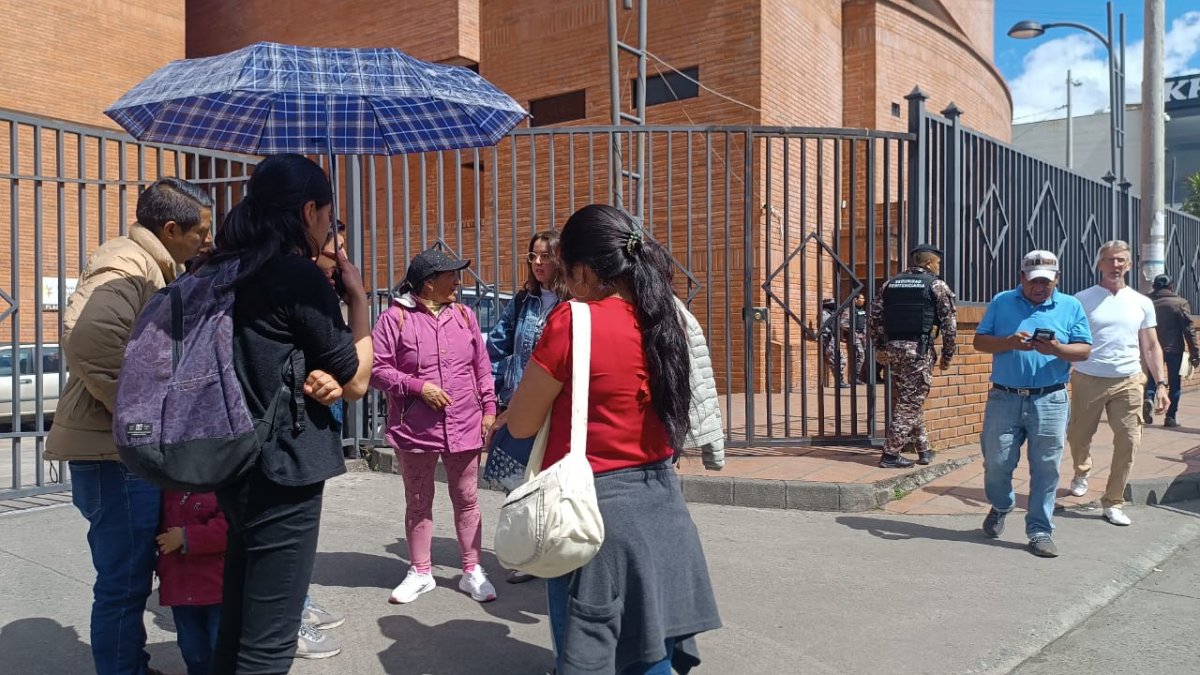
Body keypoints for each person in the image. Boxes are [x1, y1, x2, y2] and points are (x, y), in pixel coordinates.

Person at [506, 204, 721, 674]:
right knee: (652, 652)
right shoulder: (671, 320)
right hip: (663, 505)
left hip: (591, 513)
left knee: (589, 655)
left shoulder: (573, 322)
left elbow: (521, 425)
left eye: (566, 272)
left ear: (583, 270)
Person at [202, 153, 373, 673]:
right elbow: (357, 380)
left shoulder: (221, 266)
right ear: (307, 212)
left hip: (230, 459)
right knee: (270, 644)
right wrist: (359, 301)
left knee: (237, 622)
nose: (328, 224)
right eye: (326, 213)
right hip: (282, 468)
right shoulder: (292, 273)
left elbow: (268, 355)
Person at [45, 177, 213, 675]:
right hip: (114, 456)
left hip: (120, 452)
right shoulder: (128, 263)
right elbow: (89, 340)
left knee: (132, 576)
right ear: (169, 228)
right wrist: (147, 414)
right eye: (200, 231)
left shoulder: (153, 265)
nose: (207, 240)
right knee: (123, 582)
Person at [371, 248, 499, 605]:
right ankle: (421, 572)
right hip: (415, 428)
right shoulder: (394, 318)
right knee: (417, 500)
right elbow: (378, 370)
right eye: (451, 276)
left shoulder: (464, 315)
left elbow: (481, 366)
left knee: (468, 498)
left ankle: (472, 571)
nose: (458, 281)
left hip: (465, 424)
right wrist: (418, 387)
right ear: (429, 284)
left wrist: (489, 407)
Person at [973, 250, 1092, 558]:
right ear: (1021, 277)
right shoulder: (1002, 302)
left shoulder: (1070, 306)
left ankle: (1039, 530)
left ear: (1057, 280)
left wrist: (1056, 348)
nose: (1040, 288)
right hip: (1004, 397)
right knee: (996, 463)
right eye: (1034, 281)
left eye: (1047, 282)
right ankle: (1002, 504)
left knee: (1046, 468)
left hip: (1050, 399)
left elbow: (1083, 351)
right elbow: (979, 341)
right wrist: (1008, 342)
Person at [1067, 241, 1169, 527]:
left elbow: (1151, 346)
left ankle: (1113, 501)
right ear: (1100, 264)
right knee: (1078, 437)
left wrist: (1161, 384)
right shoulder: (1081, 300)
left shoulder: (1141, 302)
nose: (1116, 265)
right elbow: (1070, 340)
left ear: (1129, 265)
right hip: (1088, 377)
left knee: (1129, 440)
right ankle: (1082, 470)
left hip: (1129, 380)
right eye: (1110, 260)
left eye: (1121, 260)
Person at [484, 229, 566, 584]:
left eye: (545, 256)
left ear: (560, 260)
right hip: (519, 405)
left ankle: (557, 549)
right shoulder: (523, 302)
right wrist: (492, 383)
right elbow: (496, 347)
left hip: (556, 409)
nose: (537, 263)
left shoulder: (571, 304)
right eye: (533, 256)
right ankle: (530, 552)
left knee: (552, 481)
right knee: (514, 478)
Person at [869, 244, 958, 468]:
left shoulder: (890, 284)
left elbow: (874, 319)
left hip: (893, 350)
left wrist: (878, 348)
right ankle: (890, 455)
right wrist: (947, 356)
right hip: (918, 351)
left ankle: (924, 449)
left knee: (909, 399)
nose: (939, 267)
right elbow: (949, 325)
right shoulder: (936, 285)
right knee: (909, 403)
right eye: (937, 263)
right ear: (928, 263)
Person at [156, 491, 227, 675]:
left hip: (216, 590)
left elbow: (229, 528)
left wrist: (186, 537)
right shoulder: (167, 487)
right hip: (179, 588)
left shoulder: (221, 485)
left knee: (221, 646)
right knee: (193, 650)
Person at [1144, 274, 1199, 427]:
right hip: (1174, 349)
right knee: (1175, 383)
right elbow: (1189, 330)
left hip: (1152, 349)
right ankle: (1171, 417)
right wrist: (1195, 353)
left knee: (1152, 378)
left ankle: (1149, 398)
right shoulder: (1179, 303)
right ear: (1171, 286)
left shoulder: (1146, 302)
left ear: (1154, 286)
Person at [819, 297, 849, 388]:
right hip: (828, 340)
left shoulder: (831, 313)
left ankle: (840, 379)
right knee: (835, 361)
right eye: (832, 304)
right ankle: (839, 381)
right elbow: (823, 327)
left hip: (833, 339)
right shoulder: (823, 313)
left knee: (841, 359)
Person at [842, 292, 869, 385]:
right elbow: (843, 323)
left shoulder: (861, 310)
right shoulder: (849, 310)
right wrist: (853, 331)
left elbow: (864, 323)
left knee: (865, 355)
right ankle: (855, 377)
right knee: (861, 355)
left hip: (863, 336)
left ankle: (862, 376)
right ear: (855, 300)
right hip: (854, 335)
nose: (863, 300)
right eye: (862, 298)